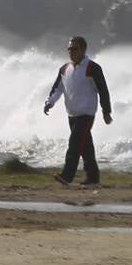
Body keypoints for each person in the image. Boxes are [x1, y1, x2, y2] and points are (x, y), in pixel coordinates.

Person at [41, 35, 112, 186]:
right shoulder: (65, 69)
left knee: (74, 144)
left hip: (86, 114)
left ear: (83, 49)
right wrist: (49, 103)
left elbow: (103, 90)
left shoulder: (92, 68)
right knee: (85, 147)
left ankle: (67, 176)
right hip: (72, 114)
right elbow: (58, 88)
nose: (71, 52)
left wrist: (106, 111)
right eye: (69, 49)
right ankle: (93, 178)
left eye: (74, 49)